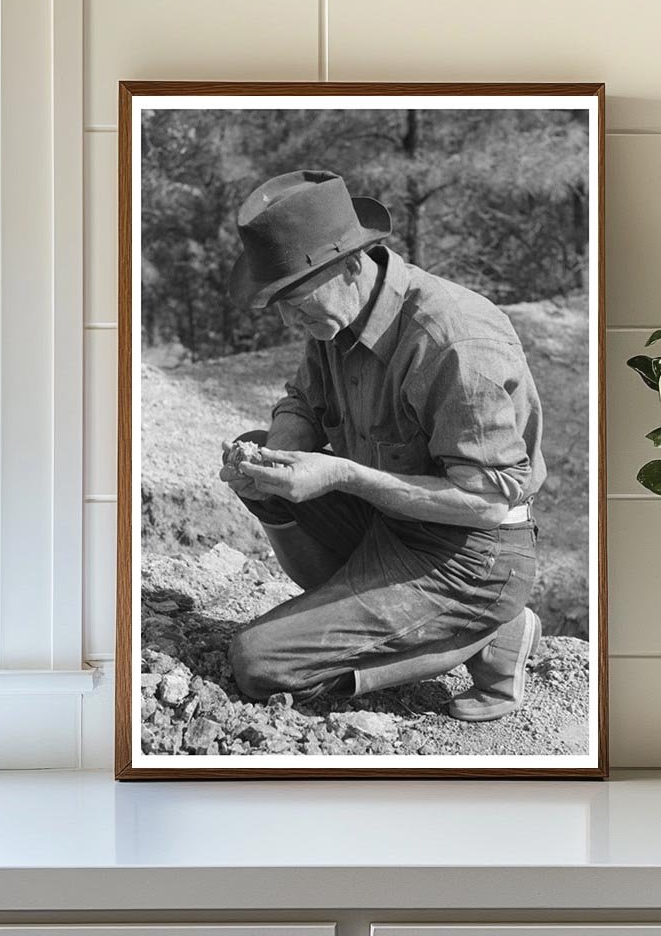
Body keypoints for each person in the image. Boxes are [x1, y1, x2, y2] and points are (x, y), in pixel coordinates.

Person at [219, 169, 546, 722]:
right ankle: (384, 606)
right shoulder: (336, 317)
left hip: (474, 553)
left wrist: (341, 476)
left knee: (258, 664)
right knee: (261, 454)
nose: (286, 318)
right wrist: (275, 457)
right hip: (390, 523)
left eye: (293, 299)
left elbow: (488, 502)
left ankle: (488, 627)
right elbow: (303, 401)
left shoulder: (454, 340)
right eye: (276, 302)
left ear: (350, 266)